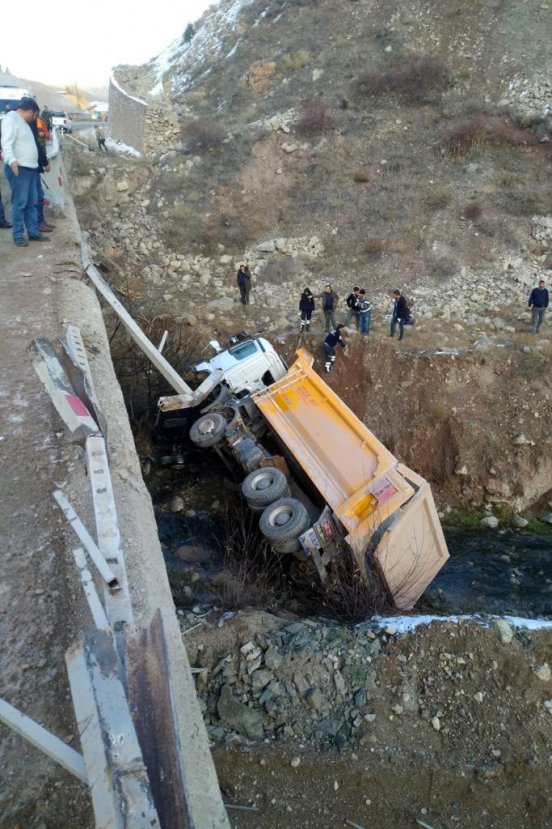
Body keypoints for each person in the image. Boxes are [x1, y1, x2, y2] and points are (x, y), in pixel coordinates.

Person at [2, 97, 50, 247]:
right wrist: (12, 161)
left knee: (32, 203)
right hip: (19, 169)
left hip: (30, 169)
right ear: (30, 111)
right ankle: (18, 235)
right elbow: (6, 142)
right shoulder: (11, 119)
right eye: (34, 115)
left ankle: (33, 232)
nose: (34, 118)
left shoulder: (23, 122)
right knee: (20, 203)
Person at [30, 111, 55, 233]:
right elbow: (38, 146)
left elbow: (44, 139)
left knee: (39, 196)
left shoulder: (35, 123)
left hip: (36, 165)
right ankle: (38, 224)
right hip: (33, 166)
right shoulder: (33, 125)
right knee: (36, 197)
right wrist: (45, 163)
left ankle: (41, 222)